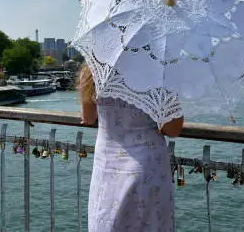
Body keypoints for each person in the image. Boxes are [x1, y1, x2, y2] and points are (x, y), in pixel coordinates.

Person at [79, 64, 184, 232]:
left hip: (107, 166)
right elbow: (172, 129)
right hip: (149, 165)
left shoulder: (93, 69)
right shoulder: (157, 72)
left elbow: (88, 118)